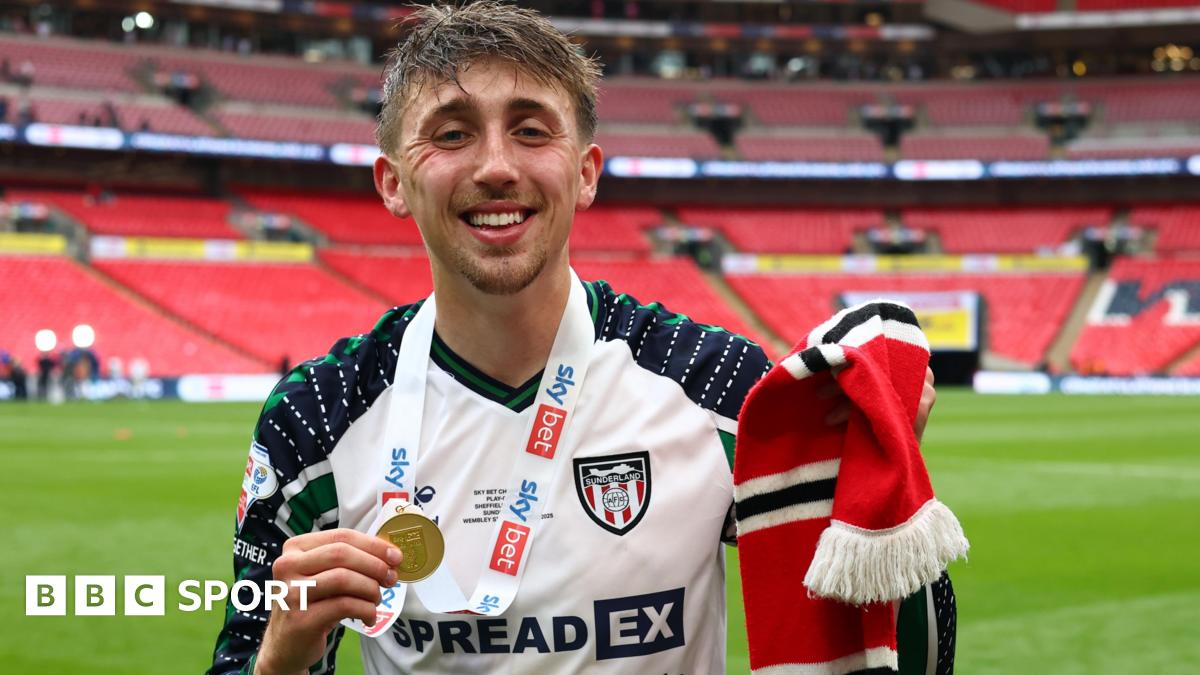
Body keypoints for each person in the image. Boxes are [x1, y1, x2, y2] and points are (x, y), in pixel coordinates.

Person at [207, 4, 947, 675]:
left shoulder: (717, 386)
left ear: (586, 172)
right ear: (393, 181)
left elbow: (875, 630)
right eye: (452, 133)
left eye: (531, 130)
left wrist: (882, 474)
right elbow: (239, 661)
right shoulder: (314, 419)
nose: (496, 167)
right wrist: (281, 655)